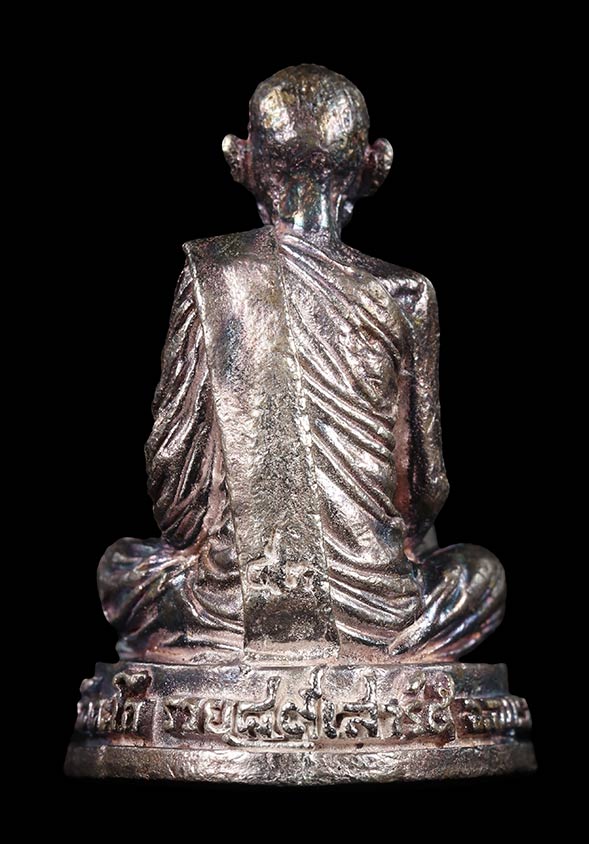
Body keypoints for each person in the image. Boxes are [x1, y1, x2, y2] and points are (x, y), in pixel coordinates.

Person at [99, 65, 504, 664]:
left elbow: (173, 486)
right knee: (480, 575)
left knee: (119, 567)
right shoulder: (406, 295)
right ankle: (379, 647)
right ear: (374, 165)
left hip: (229, 604)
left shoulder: (213, 275)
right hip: (381, 607)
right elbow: (423, 491)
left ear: (241, 160)